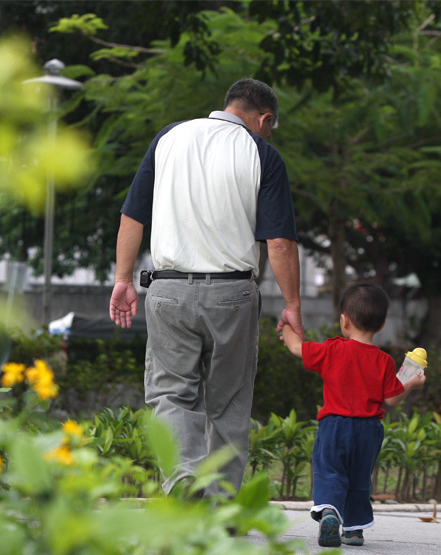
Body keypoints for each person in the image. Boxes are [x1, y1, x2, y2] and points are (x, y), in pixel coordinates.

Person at [109, 78, 303, 498]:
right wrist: (292, 305)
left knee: (171, 394)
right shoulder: (262, 153)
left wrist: (124, 280)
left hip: (168, 289)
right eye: (271, 126)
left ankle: (183, 482)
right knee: (229, 402)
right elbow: (280, 242)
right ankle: (221, 506)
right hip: (233, 295)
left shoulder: (169, 138)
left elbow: (132, 217)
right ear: (264, 119)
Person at [280, 283, 426, 547]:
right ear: (381, 326)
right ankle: (355, 529)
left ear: (343, 321)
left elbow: (296, 348)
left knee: (331, 471)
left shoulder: (332, 349)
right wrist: (412, 384)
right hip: (369, 430)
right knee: (359, 477)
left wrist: (287, 325)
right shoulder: (384, 361)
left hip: (335, 426)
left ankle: (330, 513)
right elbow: (391, 398)